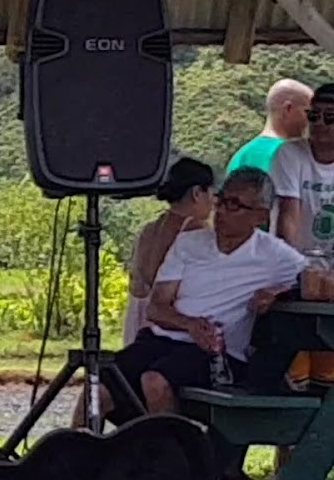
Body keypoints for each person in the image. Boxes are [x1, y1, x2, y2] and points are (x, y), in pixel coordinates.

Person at [101, 167, 306, 423]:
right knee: (99, 387)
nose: (220, 211)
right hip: (163, 339)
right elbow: (156, 307)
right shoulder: (190, 243)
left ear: (260, 215)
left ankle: (170, 459)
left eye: (234, 205)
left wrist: (279, 291)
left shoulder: (274, 255)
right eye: (220, 200)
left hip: (218, 353)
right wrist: (189, 324)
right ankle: (74, 456)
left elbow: (318, 279)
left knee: (155, 381)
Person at [270, 83, 334, 391]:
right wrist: (295, 267)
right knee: (296, 368)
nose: (320, 125)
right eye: (315, 116)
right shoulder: (290, 154)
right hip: (298, 263)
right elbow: (289, 215)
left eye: (330, 117)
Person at [122, 157, 215, 345]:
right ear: (197, 193)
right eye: (211, 193)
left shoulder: (149, 228)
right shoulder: (195, 229)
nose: (213, 201)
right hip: (167, 323)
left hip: (137, 318)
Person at [227, 79, 313, 176]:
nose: (312, 120)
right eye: (308, 112)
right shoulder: (291, 155)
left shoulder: (240, 157)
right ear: (288, 108)